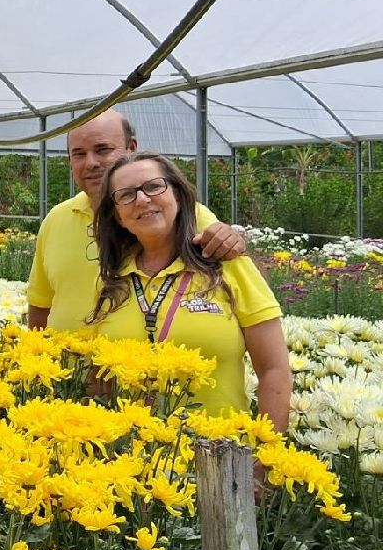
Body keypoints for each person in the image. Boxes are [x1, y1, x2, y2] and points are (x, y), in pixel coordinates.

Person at [88, 151, 291, 433]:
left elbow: (274, 370)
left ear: (179, 196)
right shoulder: (113, 281)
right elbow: (100, 383)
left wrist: (269, 458)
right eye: (126, 195)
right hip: (131, 461)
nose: (143, 199)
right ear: (118, 216)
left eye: (153, 186)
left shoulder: (228, 266)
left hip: (218, 456)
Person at [27, 109, 245, 331]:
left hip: (143, 362)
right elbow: (40, 303)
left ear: (131, 148)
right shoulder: (56, 219)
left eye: (103, 149)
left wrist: (232, 243)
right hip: (65, 364)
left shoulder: (181, 216)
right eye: (79, 154)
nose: (91, 163)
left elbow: (245, 286)